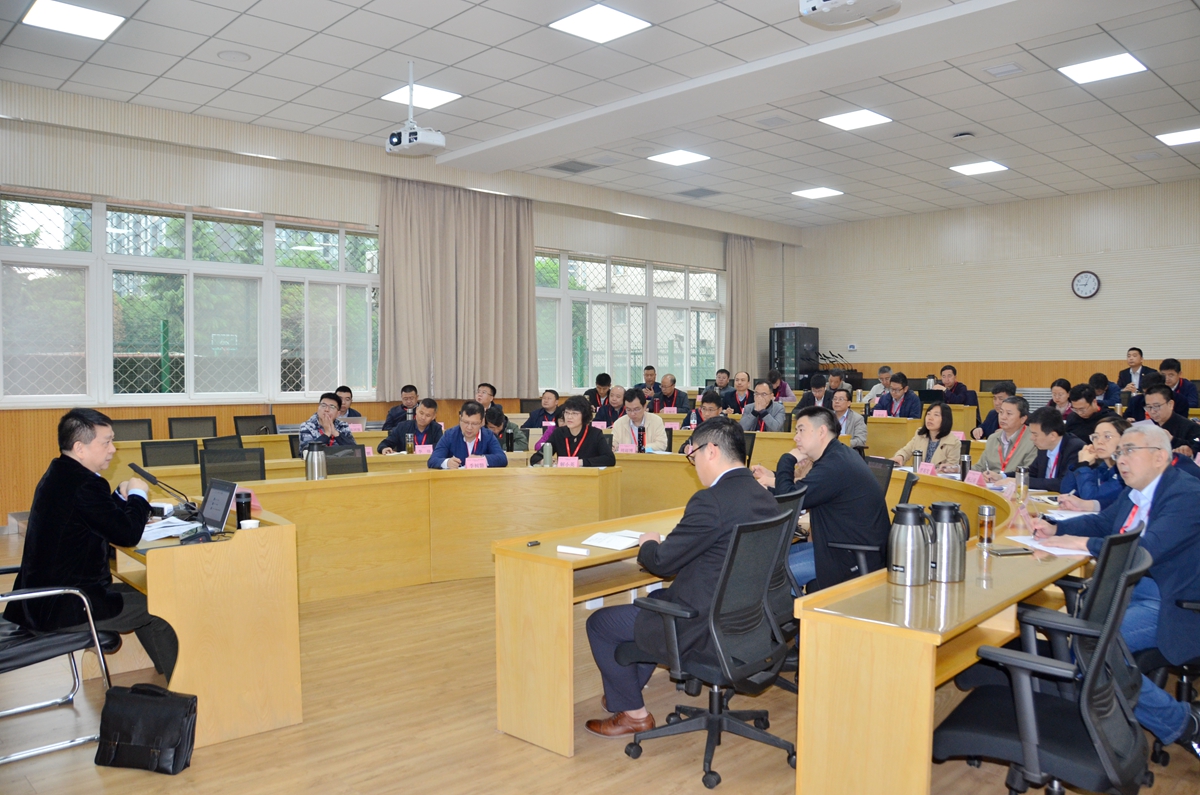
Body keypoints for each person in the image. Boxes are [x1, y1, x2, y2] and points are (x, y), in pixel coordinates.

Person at [583, 419, 781, 738]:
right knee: (653, 602)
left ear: (711, 451)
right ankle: (625, 692)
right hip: (744, 623)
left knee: (601, 624)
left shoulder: (710, 501)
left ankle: (633, 714)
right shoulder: (765, 496)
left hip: (698, 625)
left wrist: (648, 543)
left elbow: (662, 563)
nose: (694, 465)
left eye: (693, 456)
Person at [1032, 424, 1200, 760]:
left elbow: (1145, 551)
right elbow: (1102, 523)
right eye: (1119, 452)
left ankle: (1183, 724)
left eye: (1129, 451)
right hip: (1129, 589)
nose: (1120, 459)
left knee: (1093, 647)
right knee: (1081, 641)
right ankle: (1091, 725)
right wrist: (1057, 528)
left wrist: (1083, 544)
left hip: (1169, 600)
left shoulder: (1187, 495)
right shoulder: (1135, 491)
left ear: (1159, 457)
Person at [4, 409, 178, 678]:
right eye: (106, 442)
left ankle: (172, 675)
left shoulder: (61, 473)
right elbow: (127, 535)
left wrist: (120, 498)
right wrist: (138, 496)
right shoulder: (84, 484)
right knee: (163, 607)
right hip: (66, 605)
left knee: (151, 594)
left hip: (43, 600)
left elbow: (92, 520)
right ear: (80, 448)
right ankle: (185, 685)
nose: (113, 449)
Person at [751, 406, 890, 591]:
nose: (796, 437)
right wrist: (774, 477)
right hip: (836, 548)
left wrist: (788, 459)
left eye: (801, 430)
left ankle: (791, 608)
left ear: (821, 431)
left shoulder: (834, 465)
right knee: (771, 561)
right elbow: (804, 487)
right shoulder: (837, 456)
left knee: (768, 577)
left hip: (848, 556)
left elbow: (790, 497)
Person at [1058, 416, 1130, 512]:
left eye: (1107, 436)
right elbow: (1067, 491)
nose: (1099, 442)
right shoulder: (1103, 468)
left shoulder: (1124, 472)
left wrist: (1083, 466)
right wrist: (1079, 464)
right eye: (1095, 437)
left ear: (1124, 440)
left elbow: (1091, 499)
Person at [529, 396, 615, 467]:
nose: (569, 417)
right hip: (563, 477)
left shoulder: (595, 434)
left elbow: (609, 459)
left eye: (574, 413)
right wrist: (543, 461)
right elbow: (535, 458)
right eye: (567, 413)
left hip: (587, 477)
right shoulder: (558, 433)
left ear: (584, 416)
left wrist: (580, 462)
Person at [973, 395, 1036, 482]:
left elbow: (1030, 473)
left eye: (1009, 414)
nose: (1003, 417)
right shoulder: (993, 438)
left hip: (1016, 486)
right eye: (1001, 412)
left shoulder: (1033, 440)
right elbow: (980, 467)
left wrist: (1003, 477)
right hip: (991, 486)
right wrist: (960, 469)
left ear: (1023, 419)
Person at [428, 401, 507, 469]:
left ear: (482, 422)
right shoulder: (450, 435)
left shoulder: (488, 435)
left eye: (474, 424)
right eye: (466, 422)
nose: (469, 428)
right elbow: (433, 460)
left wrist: (481, 459)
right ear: (460, 418)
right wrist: (447, 462)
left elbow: (502, 458)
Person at [1026, 406, 1084, 492]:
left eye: (1035, 434)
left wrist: (1022, 481)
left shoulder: (1075, 448)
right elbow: (1031, 472)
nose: (1031, 438)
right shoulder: (1044, 447)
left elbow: (1063, 483)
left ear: (1052, 436)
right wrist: (1005, 476)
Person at [892, 402, 959, 472]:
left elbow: (952, 468)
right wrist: (900, 457)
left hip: (937, 477)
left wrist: (949, 468)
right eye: (928, 414)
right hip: (918, 476)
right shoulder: (920, 434)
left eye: (936, 415)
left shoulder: (953, 442)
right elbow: (906, 450)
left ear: (945, 419)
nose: (930, 418)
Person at [1144, 384, 1200, 457]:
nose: (1152, 411)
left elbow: (1195, 449)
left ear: (1170, 404)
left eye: (1156, 406)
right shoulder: (1147, 426)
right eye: (1149, 407)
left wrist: (1172, 440)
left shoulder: (1191, 428)